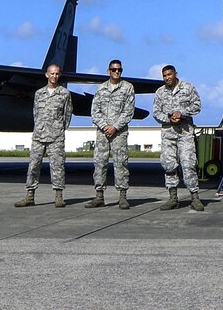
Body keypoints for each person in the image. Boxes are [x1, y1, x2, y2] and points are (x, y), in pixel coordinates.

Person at [16, 64, 71, 208]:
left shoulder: (65, 94)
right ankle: (30, 195)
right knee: (33, 165)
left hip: (56, 136)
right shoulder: (39, 93)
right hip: (39, 136)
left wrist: (58, 129)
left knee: (58, 166)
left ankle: (58, 195)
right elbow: (36, 113)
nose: (54, 76)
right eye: (52, 73)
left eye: (57, 74)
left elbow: (67, 115)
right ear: (46, 75)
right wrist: (40, 127)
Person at [84, 59, 137, 208]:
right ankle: (99, 196)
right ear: (108, 71)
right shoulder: (101, 89)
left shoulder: (128, 88)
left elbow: (129, 111)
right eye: (114, 69)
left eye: (119, 70)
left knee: (121, 163)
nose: (116, 72)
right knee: (100, 164)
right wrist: (104, 126)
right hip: (102, 133)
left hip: (119, 133)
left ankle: (122, 196)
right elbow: (95, 111)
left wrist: (115, 126)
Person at [153, 65, 206, 211]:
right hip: (168, 134)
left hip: (185, 134)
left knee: (188, 165)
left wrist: (181, 113)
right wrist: (169, 118)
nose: (167, 78)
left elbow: (197, 106)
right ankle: (173, 198)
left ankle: (195, 197)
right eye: (164, 76)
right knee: (169, 165)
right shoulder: (160, 92)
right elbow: (156, 113)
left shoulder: (187, 88)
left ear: (175, 74)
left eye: (169, 74)